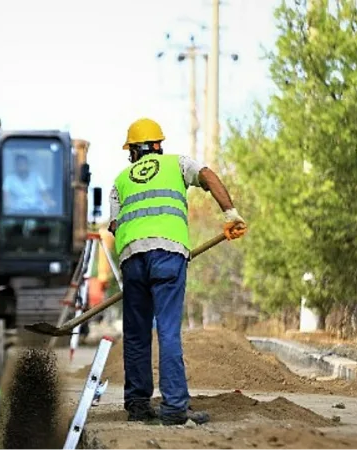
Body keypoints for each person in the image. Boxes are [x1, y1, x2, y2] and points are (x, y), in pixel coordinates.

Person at [108, 118, 247, 426]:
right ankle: (173, 408)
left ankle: (138, 406)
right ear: (158, 145)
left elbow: (116, 226)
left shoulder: (119, 181)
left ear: (133, 151)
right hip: (168, 254)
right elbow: (208, 176)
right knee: (168, 331)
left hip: (132, 257)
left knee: (136, 335)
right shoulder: (177, 163)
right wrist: (230, 213)